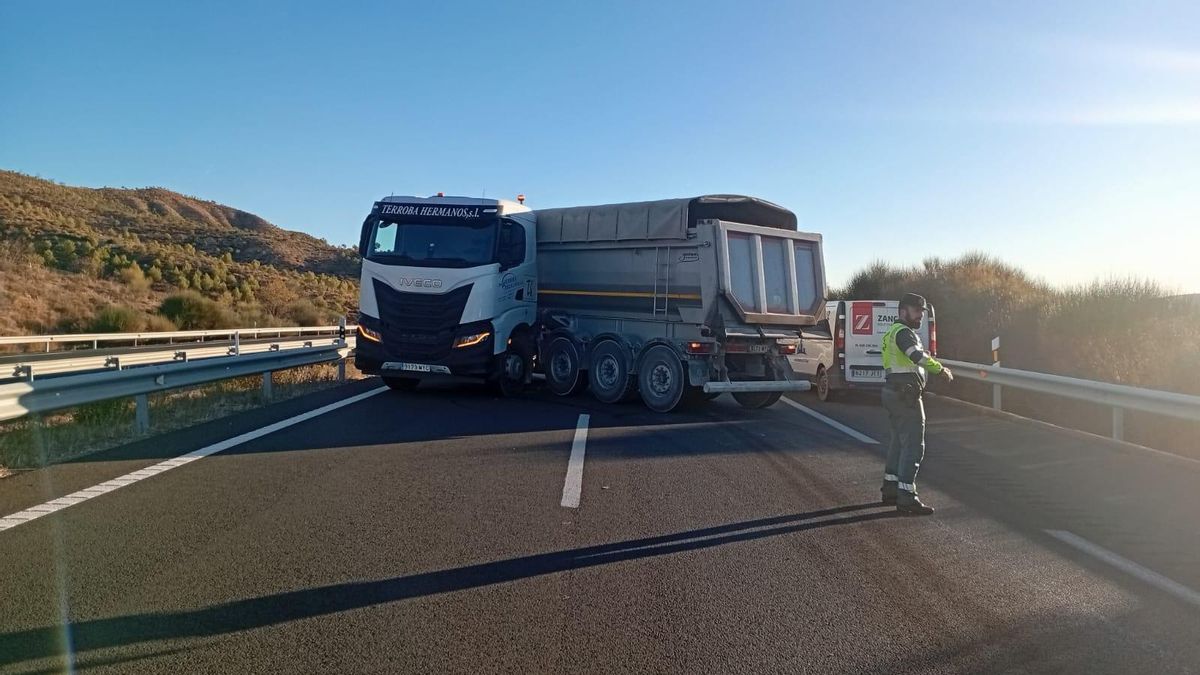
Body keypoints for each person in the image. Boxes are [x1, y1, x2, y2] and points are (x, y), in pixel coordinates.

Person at [880, 293, 952, 515]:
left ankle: (891, 490)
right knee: (913, 446)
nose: (921, 315)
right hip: (906, 395)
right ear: (903, 311)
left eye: (922, 311)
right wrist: (940, 369)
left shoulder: (892, 332)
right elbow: (915, 356)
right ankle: (907, 498)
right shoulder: (904, 333)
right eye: (917, 310)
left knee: (897, 444)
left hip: (893, 392)